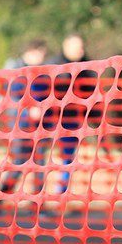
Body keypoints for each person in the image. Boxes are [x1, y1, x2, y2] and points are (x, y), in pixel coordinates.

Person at [43, 34, 94, 195]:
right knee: (38, 155)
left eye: (81, 46)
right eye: (76, 47)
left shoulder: (88, 66)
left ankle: (61, 191)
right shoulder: (53, 65)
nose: (80, 50)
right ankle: (37, 193)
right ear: (66, 46)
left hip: (72, 118)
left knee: (67, 156)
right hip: (49, 117)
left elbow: (91, 92)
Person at [0, 40, 51, 196]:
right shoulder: (16, 70)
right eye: (40, 54)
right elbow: (12, 98)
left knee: (40, 163)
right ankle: (2, 197)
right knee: (19, 162)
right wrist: (28, 111)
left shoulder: (42, 72)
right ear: (31, 52)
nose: (42, 58)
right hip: (20, 125)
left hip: (40, 125)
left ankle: (38, 202)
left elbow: (46, 96)